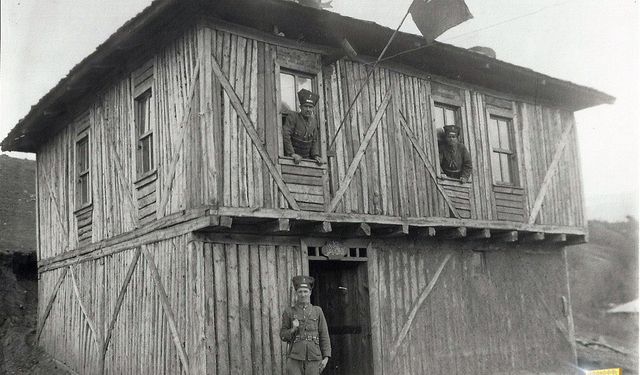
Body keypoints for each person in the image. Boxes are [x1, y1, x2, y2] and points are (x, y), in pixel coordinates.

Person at [280, 275, 331, 375]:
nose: (303, 294)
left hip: (314, 358)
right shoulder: (289, 311)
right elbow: (282, 335)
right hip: (295, 358)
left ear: (310, 293)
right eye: (300, 291)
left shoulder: (317, 311)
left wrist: (326, 357)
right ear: (296, 293)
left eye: (305, 291)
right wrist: (293, 329)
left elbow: (324, 335)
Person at [283, 89, 323, 165]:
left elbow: (314, 141)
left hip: (306, 160)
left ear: (313, 108)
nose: (308, 109)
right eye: (306, 106)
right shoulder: (293, 117)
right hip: (291, 159)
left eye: (310, 107)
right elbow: (286, 136)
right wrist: (292, 154)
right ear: (300, 107)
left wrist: (315, 155)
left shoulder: (314, 122)